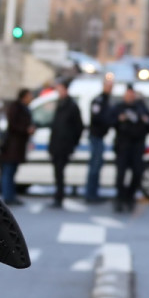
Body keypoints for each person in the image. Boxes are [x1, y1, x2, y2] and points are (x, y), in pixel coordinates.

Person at [111, 83, 149, 213]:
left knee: (137, 173)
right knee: (120, 175)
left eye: (132, 94)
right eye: (128, 94)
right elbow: (109, 121)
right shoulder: (119, 107)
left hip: (137, 146)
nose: (130, 97)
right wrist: (120, 119)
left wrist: (144, 120)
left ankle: (130, 197)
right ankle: (120, 198)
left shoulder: (141, 108)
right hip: (123, 146)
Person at [47, 77, 84, 209]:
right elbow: (55, 127)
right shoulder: (60, 104)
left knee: (60, 172)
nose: (58, 91)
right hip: (57, 145)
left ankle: (59, 197)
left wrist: (72, 143)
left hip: (64, 146)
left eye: (60, 88)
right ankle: (58, 195)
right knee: (57, 172)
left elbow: (79, 127)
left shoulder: (71, 106)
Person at [0, 87, 34, 207]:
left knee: (12, 171)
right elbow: (13, 125)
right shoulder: (16, 107)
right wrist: (26, 129)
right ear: (24, 96)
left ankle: (11, 195)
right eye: (29, 95)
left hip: (17, 146)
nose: (31, 98)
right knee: (8, 171)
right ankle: (8, 196)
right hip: (12, 146)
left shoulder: (23, 107)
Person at [85, 75, 115, 203]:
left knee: (97, 165)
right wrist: (110, 121)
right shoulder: (99, 100)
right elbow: (97, 117)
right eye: (108, 86)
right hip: (96, 136)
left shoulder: (106, 100)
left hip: (100, 137)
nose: (110, 88)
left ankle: (93, 193)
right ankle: (91, 194)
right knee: (95, 166)